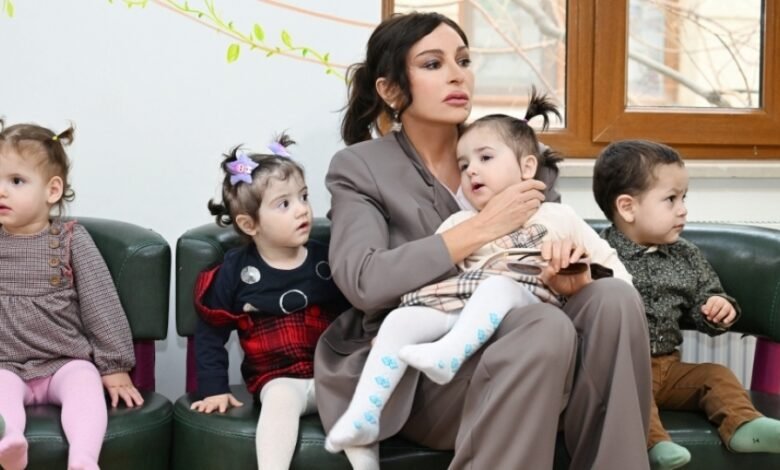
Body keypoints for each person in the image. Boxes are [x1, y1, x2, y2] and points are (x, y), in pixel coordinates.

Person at [315, 11, 653, 470]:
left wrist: (570, 275)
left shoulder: (511, 150)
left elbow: (553, 242)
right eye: (433, 64)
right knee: (543, 325)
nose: (458, 75)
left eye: (463, 60)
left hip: (540, 356)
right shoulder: (360, 167)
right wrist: (482, 226)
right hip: (428, 376)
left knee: (612, 297)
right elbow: (363, 280)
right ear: (391, 90)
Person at [190, 135, 375, 470]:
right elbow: (211, 333)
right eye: (284, 204)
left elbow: (358, 308)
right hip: (278, 378)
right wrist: (213, 388)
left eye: (303, 196)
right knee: (279, 401)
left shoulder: (327, 258)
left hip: (334, 372)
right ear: (250, 224)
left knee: (359, 409)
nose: (302, 209)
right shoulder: (236, 270)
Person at [593, 139, 780, 470]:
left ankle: (743, 425)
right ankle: (655, 445)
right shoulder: (597, 253)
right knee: (632, 394)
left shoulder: (686, 254)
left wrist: (718, 307)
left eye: (684, 198)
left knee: (716, 374)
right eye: (671, 199)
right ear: (627, 207)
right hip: (620, 370)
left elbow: (707, 295)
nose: (683, 210)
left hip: (669, 368)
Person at [0, 120, 142, 470]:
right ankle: (9, 442)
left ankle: (83, 458)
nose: (2, 191)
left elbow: (101, 302)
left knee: (85, 385)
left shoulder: (70, 239)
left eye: (16, 181)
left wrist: (115, 365)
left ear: (52, 190)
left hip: (65, 360)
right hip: (5, 365)